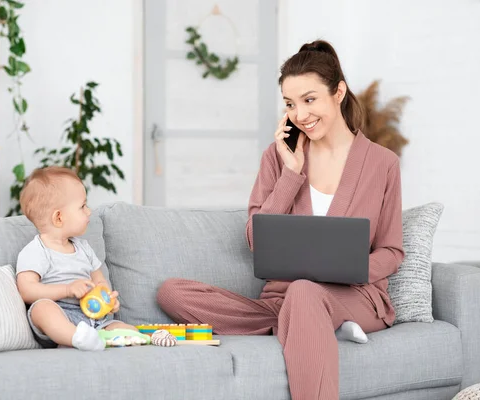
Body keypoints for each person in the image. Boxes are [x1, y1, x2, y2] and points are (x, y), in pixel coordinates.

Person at [156, 40, 404, 399]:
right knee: (171, 292)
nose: (300, 114)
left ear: (338, 92)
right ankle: (309, 325)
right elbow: (257, 239)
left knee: (306, 292)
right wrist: (291, 173)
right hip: (282, 300)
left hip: (356, 296)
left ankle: (316, 318)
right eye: (290, 104)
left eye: (309, 99)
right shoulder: (278, 157)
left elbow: (392, 251)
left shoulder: (382, 163)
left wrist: (352, 268)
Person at [16, 166, 137, 351]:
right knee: (42, 310)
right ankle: (74, 337)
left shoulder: (84, 248)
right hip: (60, 314)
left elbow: (99, 280)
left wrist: (107, 299)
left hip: (92, 318)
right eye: (82, 206)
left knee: (129, 330)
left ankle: (92, 339)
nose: (89, 211)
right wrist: (67, 290)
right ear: (58, 218)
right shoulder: (36, 251)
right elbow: (27, 290)